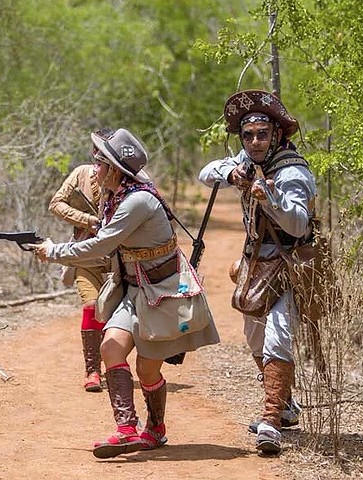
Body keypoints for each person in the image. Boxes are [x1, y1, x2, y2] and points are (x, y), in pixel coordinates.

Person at [33, 128, 219, 459]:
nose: (94, 168)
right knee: (110, 347)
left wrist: (54, 251)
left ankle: (155, 430)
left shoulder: (136, 202)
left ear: (115, 169)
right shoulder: (116, 197)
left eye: (100, 163)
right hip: (134, 290)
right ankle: (127, 429)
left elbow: (102, 244)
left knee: (147, 370)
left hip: (161, 294)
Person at [198, 89, 317, 455]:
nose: (254, 142)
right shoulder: (245, 160)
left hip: (290, 263)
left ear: (276, 134)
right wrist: (231, 173)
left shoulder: (293, 172)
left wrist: (271, 199)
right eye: (247, 135)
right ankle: (286, 404)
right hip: (255, 264)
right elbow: (206, 173)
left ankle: (271, 421)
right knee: (254, 336)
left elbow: (298, 224)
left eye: (262, 134)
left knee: (277, 337)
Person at [48, 134, 111, 392]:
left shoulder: (132, 178)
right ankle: (92, 370)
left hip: (120, 260)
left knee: (117, 315)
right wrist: (88, 220)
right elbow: (56, 204)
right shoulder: (82, 174)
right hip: (86, 255)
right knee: (91, 306)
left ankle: (115, 366)